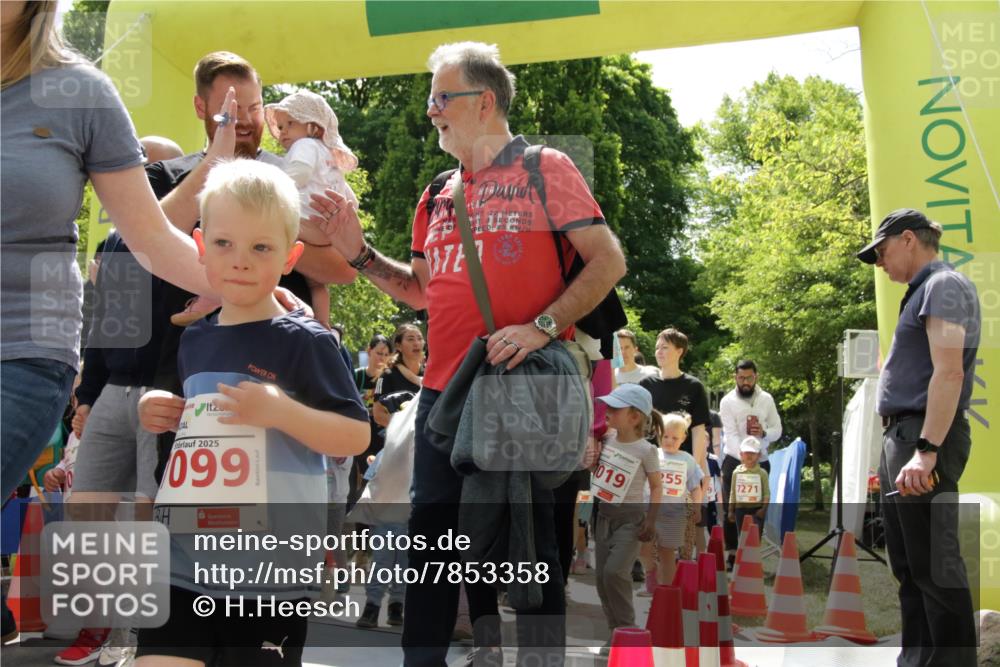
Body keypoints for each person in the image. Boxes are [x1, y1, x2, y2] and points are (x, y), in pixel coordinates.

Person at [311, 41, 626, 666]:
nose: (430, 112)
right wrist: (358, 252)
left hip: (523, 390)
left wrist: (542, 324)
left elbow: (608, 260)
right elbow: (422, 292)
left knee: (531, 549)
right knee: (431, 549)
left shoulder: (545, 168)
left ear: (484, 103)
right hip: (443, 397)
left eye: (440, 98)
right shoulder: (436, 191)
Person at [0, 0, 221, 644]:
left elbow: (150, 233)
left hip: (31, 353)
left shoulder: (79, 94)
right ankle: (94, 632)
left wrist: (237, 291)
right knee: (92, 515)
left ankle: (121, 635)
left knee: (144, 515)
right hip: (105, 392)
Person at [134, 159, 369, 667]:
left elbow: (355, 437)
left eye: (261, 247)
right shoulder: (193, 337)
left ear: (291, 256)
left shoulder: (307, 343)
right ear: (200, 246)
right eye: (223, 243)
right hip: (184, 562)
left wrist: (283, 412)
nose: (239, 260)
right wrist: (164, 413)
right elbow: (201, 425)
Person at [856, 208, 979, 666]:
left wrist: (925, 451)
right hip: (904, 437)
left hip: (922, 438)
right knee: (909, 566)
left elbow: (948, 373)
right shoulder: (921, 292)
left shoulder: (943, 286)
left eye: (881, 252)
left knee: (934, 567)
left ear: (908, 239)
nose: (879, 263)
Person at [265, 89, 359, 326]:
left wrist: (271, 188)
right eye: (281, 126)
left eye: (290, 123)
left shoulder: (304, 145)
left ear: (312, 127)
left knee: (263, 229)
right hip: (328, 230)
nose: (283, 131)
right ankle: (323, 326)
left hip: (305, 221)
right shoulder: (327, 154)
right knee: (317, 283)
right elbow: (349, 195)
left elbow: (300, 173)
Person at [590, 384, 661, 633]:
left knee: (614, 573)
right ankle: (615, 632)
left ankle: (628, 629)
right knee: (601, 579)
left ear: (634, 417)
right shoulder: (607, 439)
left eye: (615, 407)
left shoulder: (646, 450)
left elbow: (656, 487)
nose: (607, 410)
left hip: (631, 520)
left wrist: (651, 521)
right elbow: (598, 474)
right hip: (603, 516)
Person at [639, 327, 710, 558]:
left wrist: (696, 468)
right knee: (647, 523)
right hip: (651, 466)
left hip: (681, 470)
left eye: (665, 347)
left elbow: (699, 431)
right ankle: (646, 568)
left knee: (679, 533)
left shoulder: (694, 387)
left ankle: (677, 575)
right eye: (657, 347)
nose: (659, 351)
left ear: (680, 351)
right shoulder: (645, 385)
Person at [718, 359, 782, 563]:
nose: (745, 382)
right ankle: (732, 552)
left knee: (757, 506)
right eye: (741, 378)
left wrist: (763, 433)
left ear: (756, 377)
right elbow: (730, 434)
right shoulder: (727, 401)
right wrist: (745, 456)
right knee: (732, 505)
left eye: (749, 378)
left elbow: (777, 430)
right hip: (734, 460)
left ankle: (752, 551)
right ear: (735, 377)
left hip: (761, 461)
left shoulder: (767, 399)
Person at [653, 412, 704, 589]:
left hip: (674, 516)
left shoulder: (687, 460)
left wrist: (697, 508)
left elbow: (696, 487)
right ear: (658, 434)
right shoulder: (652, 454)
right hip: (649, 513)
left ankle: (667, 590)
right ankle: (651, 578)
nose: (669, 441)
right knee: (645, 550)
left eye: (675, 438)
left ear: (683, 438)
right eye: (665, 436)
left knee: (667, 554)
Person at [372, 324, 424, 428]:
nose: (416, 343)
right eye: (410, 339)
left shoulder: (430, 373)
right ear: (398, 346)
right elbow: (378, 415)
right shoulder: (387, 376)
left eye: (420, 339)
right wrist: (406, 428)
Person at [727, 436, 769, 541]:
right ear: (741, 454)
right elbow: (733, 493)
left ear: (759, 455)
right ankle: (742, 557)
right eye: (746, 452)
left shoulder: (762, 473)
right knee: (742, 538)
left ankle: (754, 557)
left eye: (753, 452)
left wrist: (763, 509)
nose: (749, 455)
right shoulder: (736, 473)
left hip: (757, 510)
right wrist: (730, 510)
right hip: (740, 510)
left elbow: (766, 493)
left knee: (755, 538)